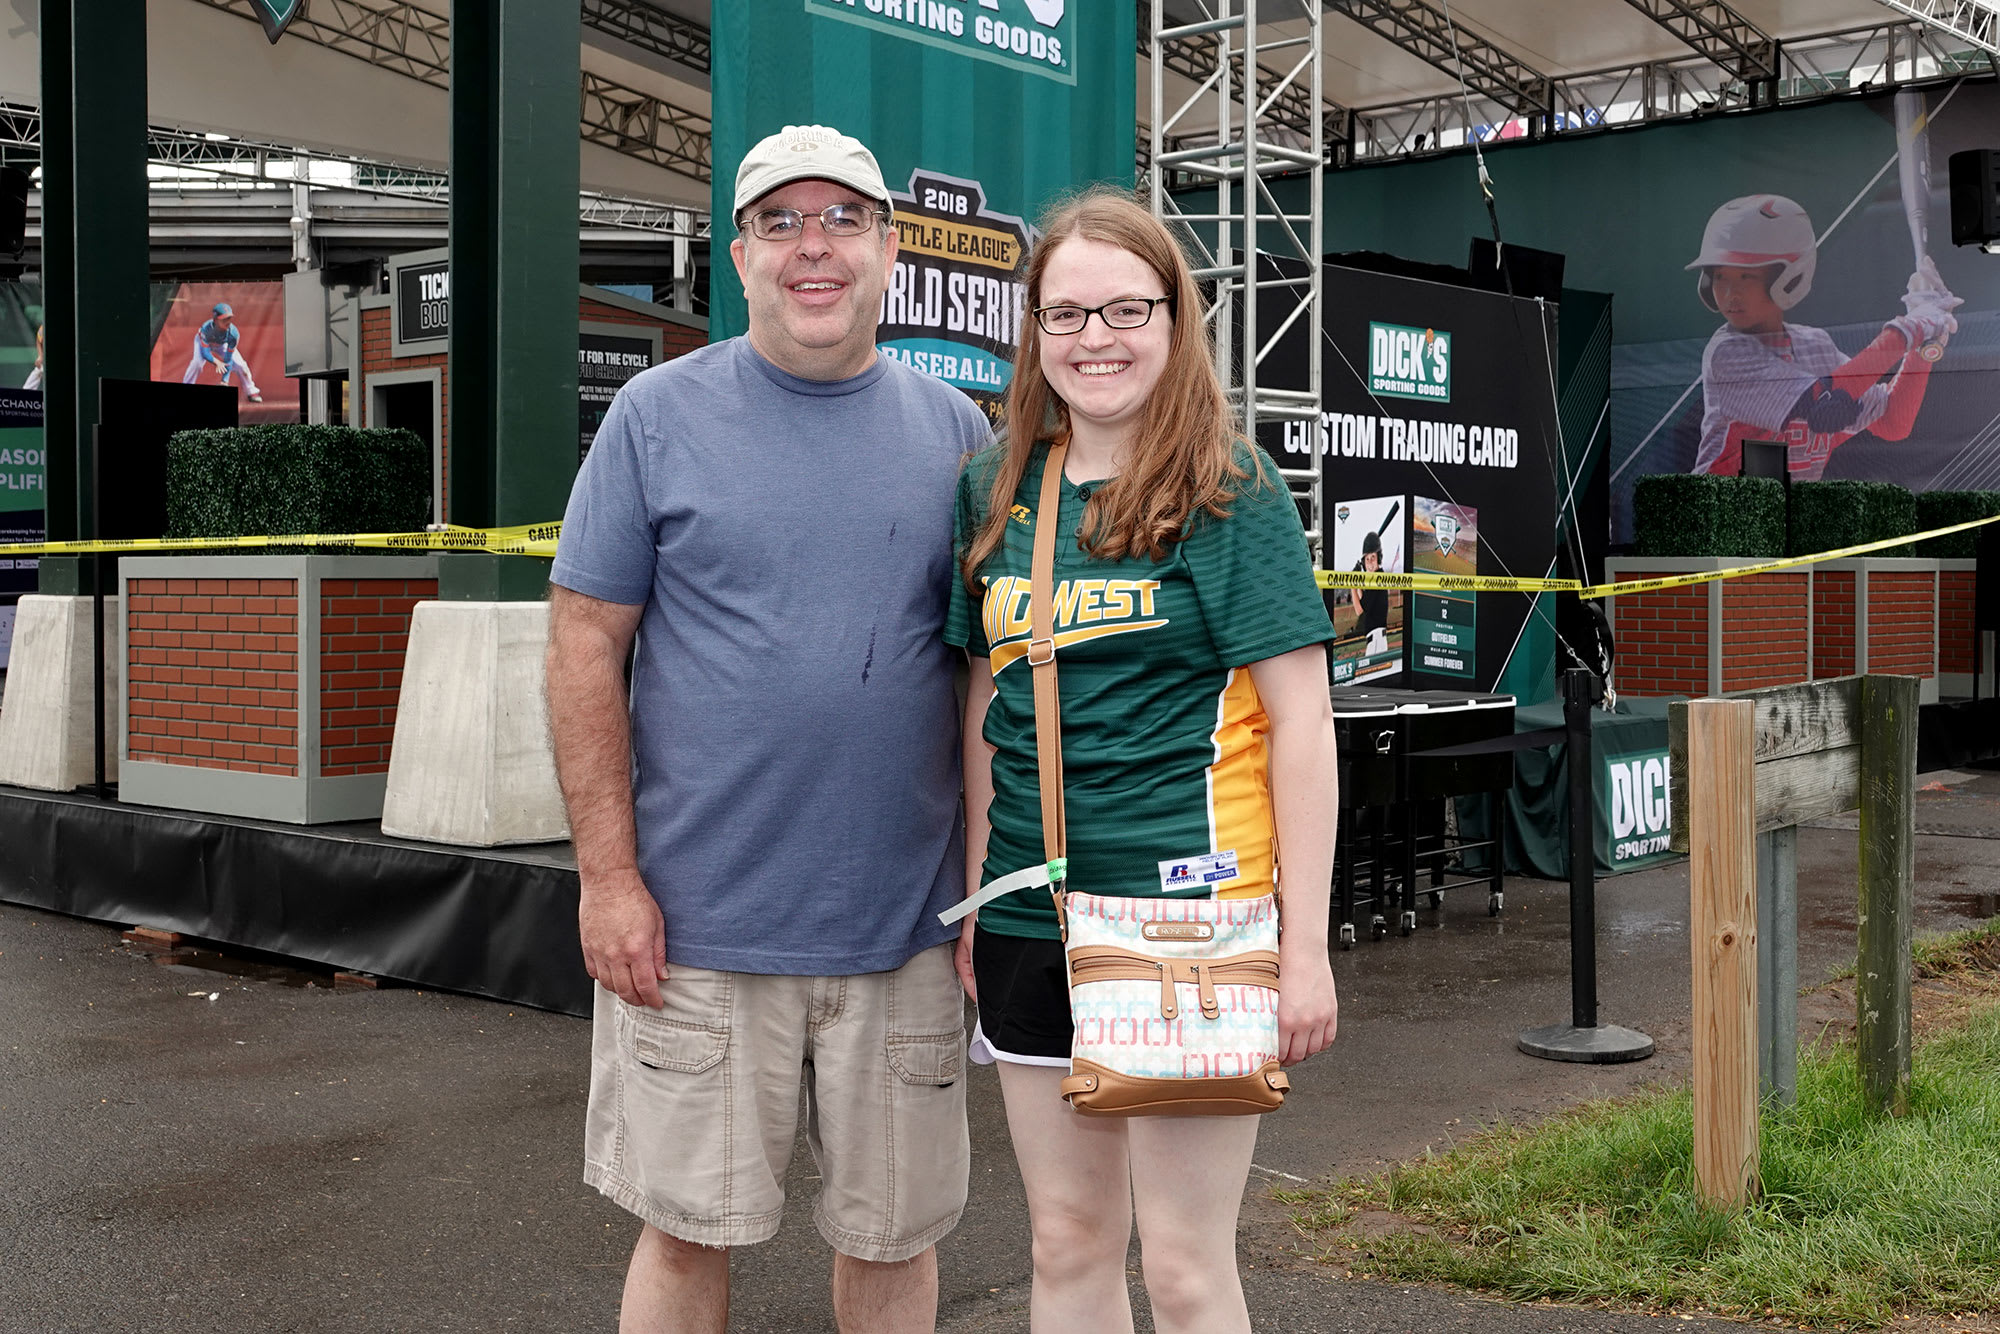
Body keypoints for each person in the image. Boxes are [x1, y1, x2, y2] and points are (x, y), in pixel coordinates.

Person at [546, 124, 991, 1334]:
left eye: (843, 220)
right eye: (781, 222)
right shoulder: (653, 416)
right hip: (694, 930)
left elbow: (985, 681)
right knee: (685, 1231)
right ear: (736, 256)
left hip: (901, 929)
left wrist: (983, 894)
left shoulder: (958, 434)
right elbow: (585, 642)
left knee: (894, 1239)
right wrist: (607, 879)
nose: (814, 248)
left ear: (889, 251)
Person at [944, 188, 1341, 1334]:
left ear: (1174, 319)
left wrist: (1300, 951)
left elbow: (1303, 732)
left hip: (1188, 919)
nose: (1092, 337)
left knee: (1179, 1262)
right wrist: (980, 893)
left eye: (1124, 308)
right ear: (1033, 332)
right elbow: (988, 699)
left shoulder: (1227, 487)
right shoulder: (993, 487)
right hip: (1028, 913)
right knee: (1064, 1241)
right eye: (1063, 313)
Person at [1685, 194, 1959, 480]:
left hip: (1786, 516)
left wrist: (1920, 349)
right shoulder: (1727, 353)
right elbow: (1824, 401)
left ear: (1788, 276)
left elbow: (1893, 422)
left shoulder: (1815, 345)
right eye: (1719, 276)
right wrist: (1909, 329)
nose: (1730, 293)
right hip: (1717, 516)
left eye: (1745, 277)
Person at [181, 302, 263, 402]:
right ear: (215, 320)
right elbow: (205, 352)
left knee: (241, 365)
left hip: (222, 344)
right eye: (224, 319)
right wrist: (216, 362)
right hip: (205, 343)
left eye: (229, 318)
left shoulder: (233, 333)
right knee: (196, 363)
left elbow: (228, 358)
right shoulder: (205, 329)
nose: (228, 322)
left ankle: (252, 392)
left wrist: (225, 380)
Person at [1349, 530, 1390, 656]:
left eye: (1373, 557)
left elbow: (1359, 610)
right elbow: (1364, 602)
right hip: (1377, 639)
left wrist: (1352, 586)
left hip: (1376, 640)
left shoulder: (1377, 580)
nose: (1370, 562)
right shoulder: (1377, 578)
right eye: (1367, 559)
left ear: (1379, 558)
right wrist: (1357, 585)